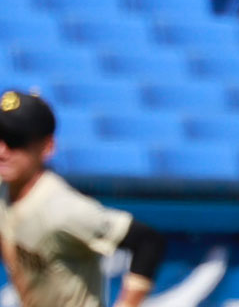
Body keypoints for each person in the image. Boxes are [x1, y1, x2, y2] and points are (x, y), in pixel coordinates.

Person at [0, 89, 166, 307]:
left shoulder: (62, 208)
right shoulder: (5, 190)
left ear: (47, 147)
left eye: (16, 141)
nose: (2, 151)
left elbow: (148, 241)